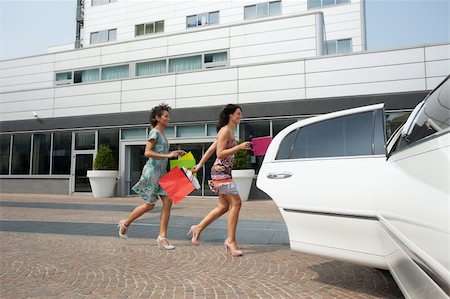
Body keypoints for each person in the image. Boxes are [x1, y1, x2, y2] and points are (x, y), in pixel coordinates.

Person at [118, 104, 185, 250]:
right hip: (152, 172)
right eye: (166, 116)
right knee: (149, 205)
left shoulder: (162, 134)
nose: (169, 118)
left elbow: (160, 152)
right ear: (157, 118)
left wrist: (175, 153)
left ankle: (162, 237)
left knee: (168, 201)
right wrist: (168, 155)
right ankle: (126, 223)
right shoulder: (154, 133)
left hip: (162, 173)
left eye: (168, 116)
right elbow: (147, 153)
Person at [189, 104, 252, 256]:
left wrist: (199, 164)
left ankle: (197, 228)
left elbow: (211, 149)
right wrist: (240, 147)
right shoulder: (225, 130)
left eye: (240, 114)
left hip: (223, 173)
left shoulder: (227, 131)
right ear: (230, 115)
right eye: (238, 114)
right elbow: (220, 153)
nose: (240, 117)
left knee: (223, 207)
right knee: (236, 203)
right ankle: (230, 240)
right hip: (220, 173)